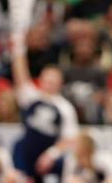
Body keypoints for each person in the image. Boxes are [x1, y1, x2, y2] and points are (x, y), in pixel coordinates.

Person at [10, 30, 79, 182]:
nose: (49, 85)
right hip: (27, 152)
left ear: (60, 84)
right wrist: (18, 47)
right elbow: (20, 76)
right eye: (47, 80)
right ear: (40, 80)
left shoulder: (64, 107)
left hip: (50, 156)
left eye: (53, 82)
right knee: (18, 145)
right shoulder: (32, 96)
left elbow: (71, 139)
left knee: (63, 164)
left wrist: (51, 154)